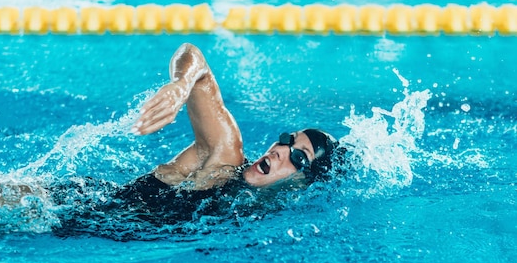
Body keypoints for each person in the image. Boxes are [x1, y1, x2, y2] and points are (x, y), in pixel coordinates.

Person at [50, 43, 340, 235]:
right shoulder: (225, 158)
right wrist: (181, 85)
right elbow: (194, 57)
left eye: (299, 157)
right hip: (69, 207)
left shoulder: (260, 217)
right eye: (287, 140)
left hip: (77, 227)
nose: (281, 151)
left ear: (303, 182)